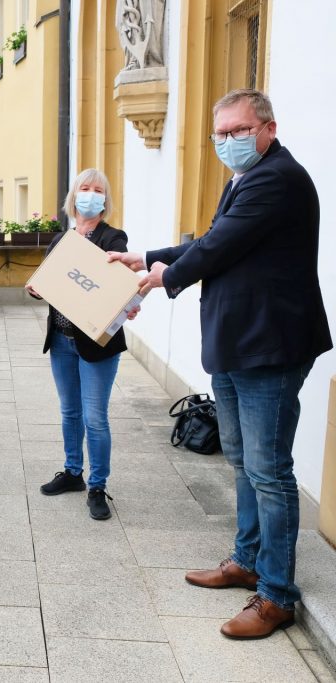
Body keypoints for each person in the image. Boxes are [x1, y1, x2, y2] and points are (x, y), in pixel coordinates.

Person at [109, 88, 331, 639]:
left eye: (239, 130)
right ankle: (248, 558)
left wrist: (160, 277)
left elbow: (219, 247)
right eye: (221, 133)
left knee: (270, 470)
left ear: (268, 128)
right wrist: (151, 257)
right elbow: (213, 241)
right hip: (238, 343)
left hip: (270, 347)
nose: (229, 141)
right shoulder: (246, 178)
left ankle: (276, 595)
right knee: (241, 458)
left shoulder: (276, 178)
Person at [25, 169, 138, 520]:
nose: (90, 194)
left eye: (97, 190)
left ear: (106, 200)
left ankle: (98, 485)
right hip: (61, 340)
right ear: (74, 196)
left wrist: (127, 299)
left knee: (95, 417)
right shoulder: (60, 240)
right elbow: (51, 282)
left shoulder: (113, 238)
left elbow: (120, 282)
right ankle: (73, 472)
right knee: (69, 412)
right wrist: (36, 286)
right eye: (84, 188)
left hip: (96, 345)